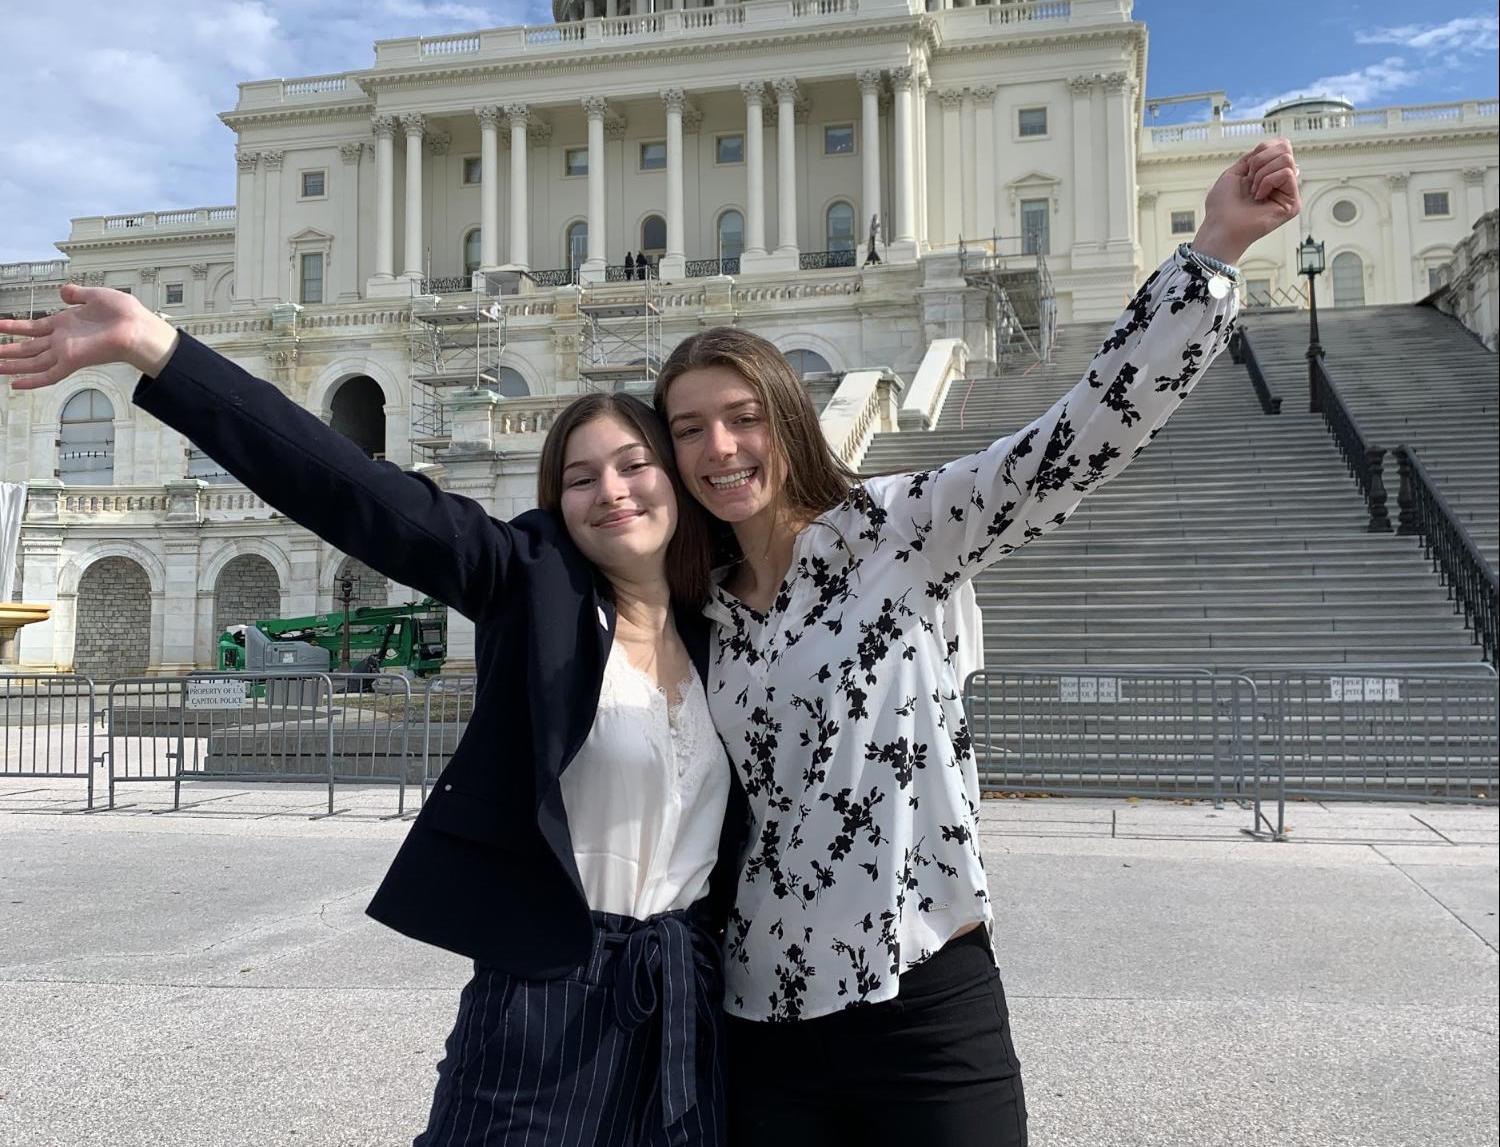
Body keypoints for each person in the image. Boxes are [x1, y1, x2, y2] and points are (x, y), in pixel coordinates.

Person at [653, 139, 1302, 1147]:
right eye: (689, 428)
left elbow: (1071, 443)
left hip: (925, 990)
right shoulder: (703, 611)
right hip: (763, 1017)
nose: (719, 448)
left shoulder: (894, 530)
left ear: (787, 418)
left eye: (742, 417)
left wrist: (1213, 251)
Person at [0, 289, 750, 1147]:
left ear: (674, 478)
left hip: (688, 997)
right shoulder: (529, 581)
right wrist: (158, 348)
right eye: (581, 477)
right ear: (557, 501)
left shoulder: (723, 623)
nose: (611, 491)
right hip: (550, 990)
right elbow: (344, 485)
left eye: (633, 465)